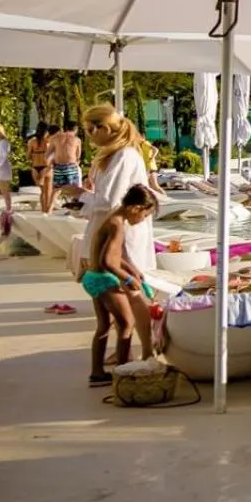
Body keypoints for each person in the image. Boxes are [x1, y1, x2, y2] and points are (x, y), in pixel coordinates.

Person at [82, 105, 159, 359]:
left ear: (104, 128)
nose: (88, 136)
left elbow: (109, 200)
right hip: (119, 229)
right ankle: (125, 351)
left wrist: (81, 196)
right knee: (121, 296)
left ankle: (147, 350)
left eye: (90, 130)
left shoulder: (124, 156)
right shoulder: (115, 155)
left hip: (126, 230)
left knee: (133, 294)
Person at [81, 184, 159, 385]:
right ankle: (124, 373)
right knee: (126, 324)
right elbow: (109, 261)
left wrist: (133, 270)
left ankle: (97, 373)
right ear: (136, 208)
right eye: (144, 216)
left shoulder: (113, 218)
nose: (142, 221)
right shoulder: (117, 224)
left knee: (103, 326)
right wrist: (127, 279)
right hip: (104, 279)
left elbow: (115, 255)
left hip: (92, 276)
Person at [48, 122, 83, 210]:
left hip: (58, 165)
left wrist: (52, 162)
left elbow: (47, 154)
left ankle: (48, 210)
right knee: (74, 189)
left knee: (56, 190)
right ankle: (73, 209)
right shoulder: (77, 140)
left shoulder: (55, 138)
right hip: (71, 165)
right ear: (76, 130)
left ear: (65, 128)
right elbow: (78, 156)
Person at [38, 124, 60, 211]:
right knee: (50, 191)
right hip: (49, 164)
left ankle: (45, 210)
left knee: (44, 191)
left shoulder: (44, 140)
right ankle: (47, 210)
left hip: (41, 165)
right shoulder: (52, 141)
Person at [26, 122, 50, 191]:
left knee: (41, 188)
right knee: (44, 190)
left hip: (35, 166)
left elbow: (28, 156)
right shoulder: (47, 142)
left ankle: (45, 201)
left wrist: (35, 156)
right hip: (45, 166)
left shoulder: (32, 141)